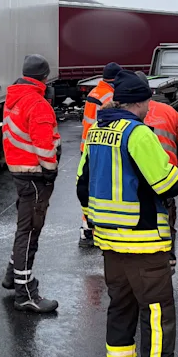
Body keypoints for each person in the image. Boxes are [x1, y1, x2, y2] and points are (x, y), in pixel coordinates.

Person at [77, 70, 178, 357]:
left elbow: (81, 184)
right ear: (141, 103)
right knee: (156, 316)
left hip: (109, 241)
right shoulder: (138, 134)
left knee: (121, 307)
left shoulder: (96, 133)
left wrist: (98, 221)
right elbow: (165, 184)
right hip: (143, 242)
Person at [0, 54, 61, 313]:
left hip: (20, 171)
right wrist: (51, 171)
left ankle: (12, 276)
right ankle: (25, 293)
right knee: (30, 232)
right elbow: (44, 144)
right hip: (35, 175)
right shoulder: (37, 103)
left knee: (24, 227)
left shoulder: (15, 97)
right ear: (44, 77)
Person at [136, 71, 178, 272]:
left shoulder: (119, 114)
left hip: (132, 180)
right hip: (165, 176)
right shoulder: (167, 111)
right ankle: (167, 258)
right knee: (166, 217)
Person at [79, 62, 120, 247]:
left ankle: (86, 227)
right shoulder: (110, 96)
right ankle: (95, 229)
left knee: (87, 189)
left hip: (86, 146)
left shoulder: (95, 92)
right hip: (98, 146)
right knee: (100, 190)